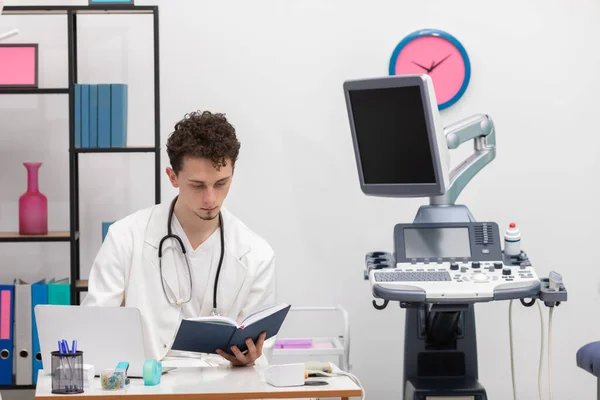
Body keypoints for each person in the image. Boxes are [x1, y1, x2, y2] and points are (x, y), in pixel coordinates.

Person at [81, 110, 277, 367]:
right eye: (197, 185)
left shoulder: (256, 254)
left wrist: (250, 359)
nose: (210, 199)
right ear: (173, 177)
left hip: (221, 391)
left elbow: (262, 359)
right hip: (145, 390)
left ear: (233, 172)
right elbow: (93, 328)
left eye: (221, 183)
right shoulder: (125, 237)